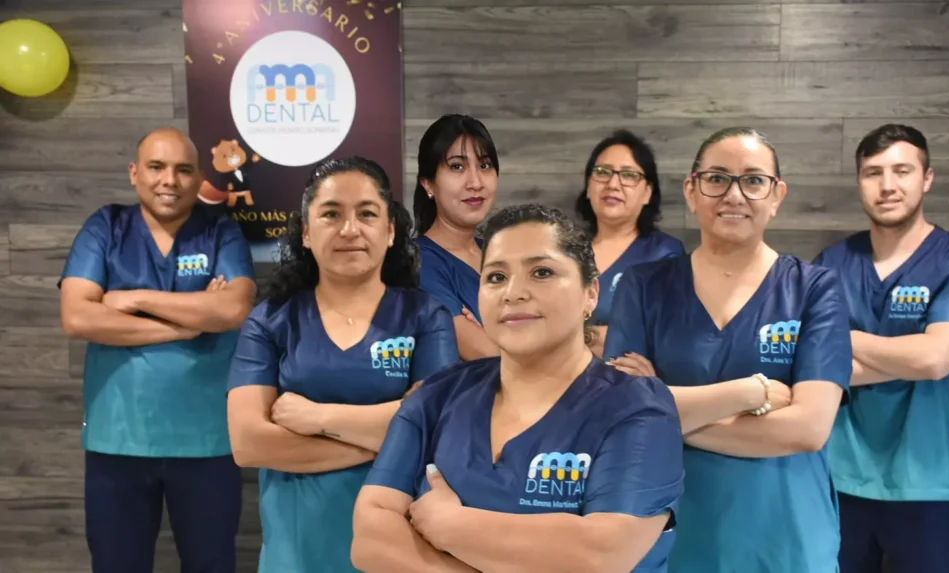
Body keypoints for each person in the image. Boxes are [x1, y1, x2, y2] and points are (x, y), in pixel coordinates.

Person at [351, 204, 684, 573]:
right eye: (496, 277)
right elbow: (371, 538)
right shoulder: (438, 395)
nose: (513, 292)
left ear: (590, 293)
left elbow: (601, 553)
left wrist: (452, 526)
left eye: (541, 272)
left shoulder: (637, 407)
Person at [605, 127, 853, 572]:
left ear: (776, 196)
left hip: (787, 539)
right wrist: (749, 393)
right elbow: (620, 418)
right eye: (717, 178)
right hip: (671, 536)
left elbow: (809, 429)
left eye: (753, 180)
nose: (734, 195)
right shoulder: (644, 287)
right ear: (691, 190)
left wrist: (665, 411)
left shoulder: (815, 289)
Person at [225, 156, 460, 573]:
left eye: (367, 214)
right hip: (297, 556)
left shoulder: (426, 317)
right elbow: (249, 444)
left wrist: (317, 418)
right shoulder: (271, 320)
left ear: (390, 231)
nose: (350, 229)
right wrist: (389, 436)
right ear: (306, 232)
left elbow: (438, 430)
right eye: (331, 214)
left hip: (399, 554)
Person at [58, 127, 257, 573]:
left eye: (183, 170)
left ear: (199, 178)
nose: (170, 180)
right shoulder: (106, 227)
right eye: (156, 167)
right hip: (118, 441)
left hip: (207, 442)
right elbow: (78, 318)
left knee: (211, 565)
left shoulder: (220, 231)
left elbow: (233, 308)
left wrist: (132, 299)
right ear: (135, 173)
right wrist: (188, 325)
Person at [813, 124, 949, 573]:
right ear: (859, 182)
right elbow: (809, 366)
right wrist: (908, 355)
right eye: (873, 172)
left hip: (928, 482)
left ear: (927, 178)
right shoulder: (831, 264)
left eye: (902, 171)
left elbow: (934, 359)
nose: (887, 185)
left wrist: (843, 341)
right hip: (838, 479)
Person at [574, 129, 684, 357]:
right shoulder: (564, 250)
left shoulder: (663, 255)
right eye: (602, 172)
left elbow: (654, 340)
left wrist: (568, 336)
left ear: (647, 193)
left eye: (629, 175)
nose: (613, 183)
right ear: (588, 187)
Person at [413, 113, 501, 360]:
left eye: (484, 165)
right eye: (457, 166)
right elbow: (486, 354)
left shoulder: (502, 254)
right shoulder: (417, 263)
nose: (475, 182)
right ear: (428, 183)